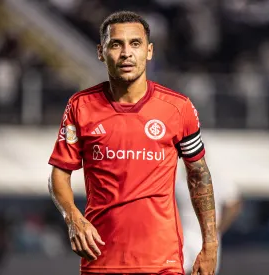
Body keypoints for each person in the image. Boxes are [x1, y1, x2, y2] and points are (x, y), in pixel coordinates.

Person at [47, 11, 218, 275]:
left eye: (135, 44)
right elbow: (59, 174)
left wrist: (210, 245)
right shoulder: (80, 106)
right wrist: (73, 217)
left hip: (163, 264)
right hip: (100, 261)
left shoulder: (178, 108)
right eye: (116, 44)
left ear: (149, 51)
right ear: (101, 52)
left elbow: (199, 174)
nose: (127, 53)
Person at [176, 175, 242, 274]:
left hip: (207, 237)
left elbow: (234, 203)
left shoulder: (219, 181)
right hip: (183, 236)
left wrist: (218, 229)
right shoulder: (179, 181)